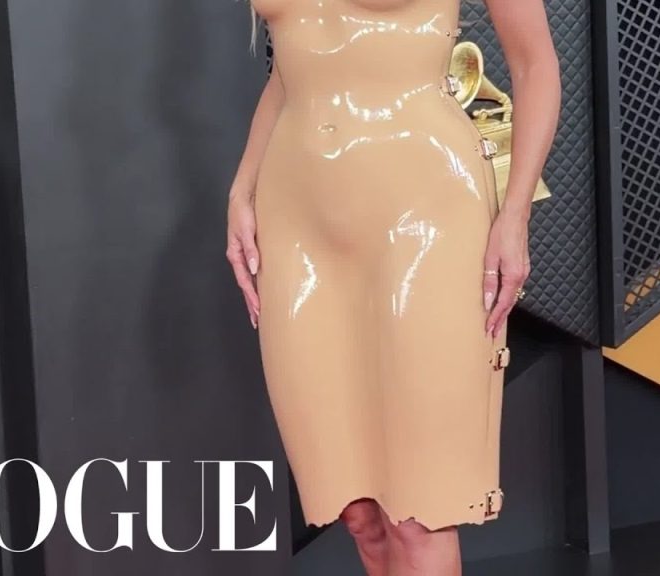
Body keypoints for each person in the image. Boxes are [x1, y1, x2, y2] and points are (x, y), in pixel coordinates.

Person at [226, 0, 560, 573]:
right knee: (356, 510)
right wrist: (243, 187)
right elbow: (292, 70)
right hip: (297, 220)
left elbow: (535, 65)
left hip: (426, 213)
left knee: (417, 513)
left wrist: (515, 215)